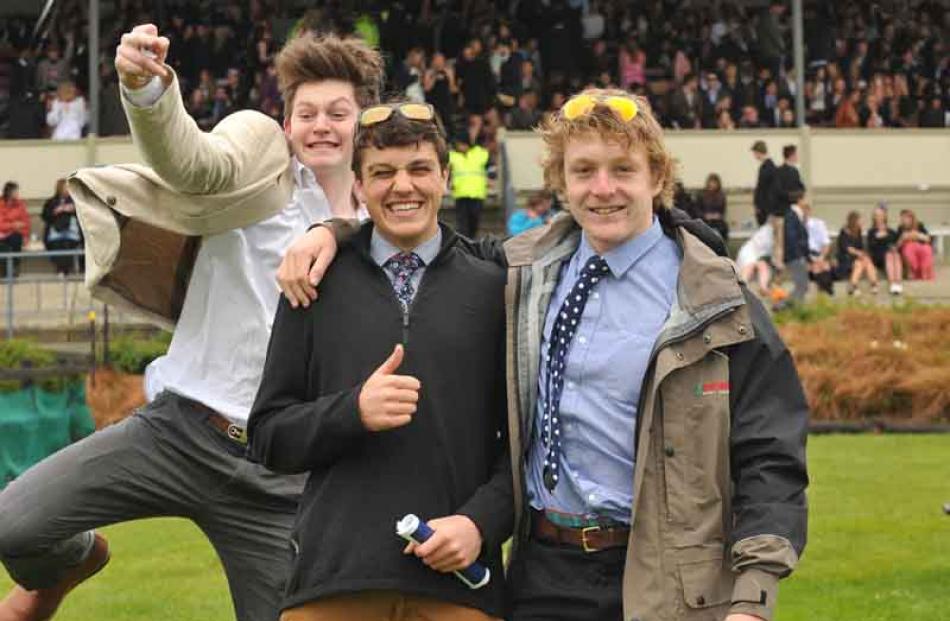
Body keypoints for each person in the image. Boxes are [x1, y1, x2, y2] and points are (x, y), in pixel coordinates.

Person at [283, 89, 809, 621]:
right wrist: (331, 232)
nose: (602, 189)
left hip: (666, 576)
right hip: (544, 574)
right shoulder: (524, 270)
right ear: (561, 182)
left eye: (622, 169)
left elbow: (770, 453)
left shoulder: (715, 298)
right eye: (583, 171)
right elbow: (414, 230)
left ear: (656, 176)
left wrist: (753, 598)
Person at [0, 25, 383, 621]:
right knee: (14, 526)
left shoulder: (379, 223)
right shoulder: (260, 157)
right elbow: (193, 163)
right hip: (177, 432)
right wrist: (146, 93)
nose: (321, 125)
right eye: (306, 112)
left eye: (339, 112)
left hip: (277, 472)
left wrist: (337, 230)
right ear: (286, 124)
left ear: (365, 122)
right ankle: (72, 563)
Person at [247, 101, 511, 621]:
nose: (402, 186)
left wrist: (480, 524)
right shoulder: (313, 279)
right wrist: (352, 412)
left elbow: (524, 444)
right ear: (359, 188)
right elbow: (267, 435)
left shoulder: (496, 286)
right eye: (383, 173)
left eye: (418, 169)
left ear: (445, 177)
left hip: (457, 585)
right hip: (334, 582)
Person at [448, 133, 490, 239]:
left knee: (474, 220)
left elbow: (489, 165)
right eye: (458, 145)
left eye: (461, 144)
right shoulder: (453, 156)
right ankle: (463, 242)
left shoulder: (480, 153)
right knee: (462, 223)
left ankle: (471, 241)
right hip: (461, 194)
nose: (459, 147)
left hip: (477, 193)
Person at [772, 144, 806, 271]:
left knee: (783, 239)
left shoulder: (792, 171)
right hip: (783, 210)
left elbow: (801, 188)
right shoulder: (782, 172)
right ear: (791, 155)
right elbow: (779, 192)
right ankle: (780, 263)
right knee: (780, 238)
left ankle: (783, 263)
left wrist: (791, 195)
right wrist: (794, 196)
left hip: (786, 210)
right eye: (796, 154)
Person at [41, 179, 83, 276]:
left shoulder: (75, 201)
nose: (67, 190)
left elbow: (84, 216)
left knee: (67, 243)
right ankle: (61, 269)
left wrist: (73, 210)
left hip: (72, 232)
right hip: (55, 232)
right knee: (57, 244)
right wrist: (55, 211)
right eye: (65, 188)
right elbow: (45, 216)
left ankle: (64, 270)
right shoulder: (51, 202)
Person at [836, 211, 878, 296]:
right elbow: (847, 248)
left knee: (866, 261)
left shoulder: (858, 231)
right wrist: (859, 254)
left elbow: (860, 247)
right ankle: (870, 285)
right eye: (860, 220)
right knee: (860, 263)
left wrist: (862, 254)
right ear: (854, 221)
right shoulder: (844, 232)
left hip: (856, 257)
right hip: (846, 258)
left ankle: (858, 285)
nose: (862, 222)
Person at [867, 205, 903, 295]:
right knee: (889, 255)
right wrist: (877, 237)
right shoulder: (871, 232)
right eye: (877, 215)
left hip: (891, 256)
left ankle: (897, 283)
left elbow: (896, 244)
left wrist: (894, 247)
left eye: (881, 215)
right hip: (878, 257)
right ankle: (892, 283)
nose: (879, 218)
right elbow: (870, 247)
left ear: (884, 217)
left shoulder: (891, 231)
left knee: (895, 255)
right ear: (874, 218)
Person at [800, 200, 834, 295]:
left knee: (824, 266)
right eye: (801, 211)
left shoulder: (819, 224)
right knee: (817, 268)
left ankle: (825, 291)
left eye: (805, 210)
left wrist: (821, 257)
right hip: (804, 257)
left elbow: (826, 244)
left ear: (809, 211)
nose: (803, 213)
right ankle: (826, 290)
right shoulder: (795, 226)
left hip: (818, 255)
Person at [0, 182, 31, 279]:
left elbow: (25, 222)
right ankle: (5, 272)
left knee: (16, 239)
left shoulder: (20, 205)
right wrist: (14, 225)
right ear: (9, 192)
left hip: (15, 234)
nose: (18, 193)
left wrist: (26, 236)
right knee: (3, 246)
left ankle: (14, 268)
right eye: (16, 191)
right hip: (2, 234)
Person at [735, 223, 774, 294]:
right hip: (751, 252)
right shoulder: (768, 229)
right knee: (751, 266)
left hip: (762, 258)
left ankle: (763, 287)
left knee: (762, 265)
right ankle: (742, 287)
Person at [896, 209, 935, 280]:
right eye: (902, 218)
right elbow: (897, 245)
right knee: (908, 249)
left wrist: (918, 235)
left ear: (911, 218)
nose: (903, 220)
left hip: (920, 248)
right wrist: (903, 238)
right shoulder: (900, 228)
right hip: (908, 249)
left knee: (927, 249)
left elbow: (928, 239)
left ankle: (924, 272)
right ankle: (912, 272)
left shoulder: (920, 225)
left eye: (905, 218)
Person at [751, 140, 776, 227]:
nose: (754, 155)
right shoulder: (766, 166)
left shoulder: (768, 167)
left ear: (758, 152)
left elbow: (763, 188)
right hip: (764, 205)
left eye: (754, 153)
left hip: (765, 206)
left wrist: (758, 204)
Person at [697, 172, 728, 242]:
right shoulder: (701, 195)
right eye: (711, 182)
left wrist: (718, 215)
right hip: (704, 220)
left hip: (718, 221)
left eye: (715, 183)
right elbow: (697, 210)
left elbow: (723, 211)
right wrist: (705, 215)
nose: (713, 185)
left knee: (723, 228)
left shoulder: (721, 195)